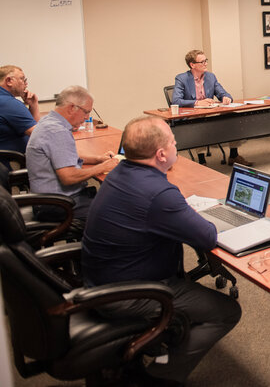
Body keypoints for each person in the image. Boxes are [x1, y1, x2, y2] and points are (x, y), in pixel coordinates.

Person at [81, 115, 241, 385]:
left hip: (99, 281)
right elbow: (207, 237)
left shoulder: (119, 172)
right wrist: (184, 213)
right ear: (161, 153)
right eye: (173, 141)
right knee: (226, 312)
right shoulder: (159, 193)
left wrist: (178, 213)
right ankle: (161, 376)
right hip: (130, 293)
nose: (176, 144)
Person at [26, 85, 119, 223]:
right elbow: (68, 177)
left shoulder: (49, 121)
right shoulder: (57, 131)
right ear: (71, 108)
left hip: (48, 200)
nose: (87, 117)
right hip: (58, 205)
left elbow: (65, 156)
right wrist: (103, 167)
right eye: (86, 112)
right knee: (118, 216)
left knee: (109, 201)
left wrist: (98, 159)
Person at [172, 50, 252, 166]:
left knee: (232, 115)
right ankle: (202, 161)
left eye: (206, 61)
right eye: (202, 61)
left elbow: (223, 93)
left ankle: (234, 155)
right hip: (192, 116)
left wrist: (226, 98)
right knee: (199, 120)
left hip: (211, 112)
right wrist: (198, 103)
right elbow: (176, 100)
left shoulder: (210, 77)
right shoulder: (181, 78)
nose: (205, 64)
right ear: (192, 65)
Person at [0, 65, 41, 154]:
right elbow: (39, 134)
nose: (25, 84)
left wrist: (33, 105)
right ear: (9, 81)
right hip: (12, 162)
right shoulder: (9, 103)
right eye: (22, 79)